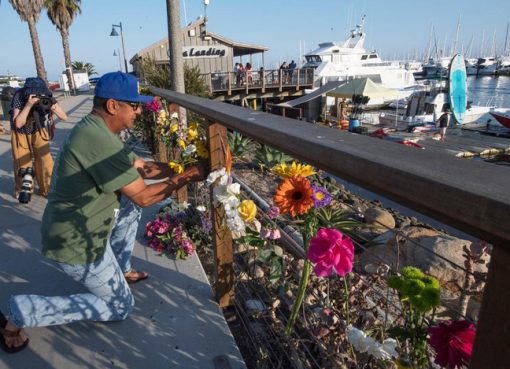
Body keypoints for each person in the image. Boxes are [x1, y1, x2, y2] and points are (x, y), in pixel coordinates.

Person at [0, 72, 209, 353]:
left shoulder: (98, 130)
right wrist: (187, 177)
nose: (138, 111)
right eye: (133, 105)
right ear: (113, 106)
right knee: (120, 306)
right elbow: (146, 196)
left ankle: (120, 269)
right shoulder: (96, 140)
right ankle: (20, 312)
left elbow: (141, 167)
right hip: (76, 245)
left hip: (85, 229)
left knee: (130, 207)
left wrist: (182, 168)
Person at [10, 77, 68, 198]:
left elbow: (64, 117)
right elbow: (18, 123)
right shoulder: (19, 96)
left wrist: (53, 107)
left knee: (45, 160)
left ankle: (46, 189)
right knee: (22, 162)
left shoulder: (47, 96)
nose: (38, 96)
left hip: (38, 128)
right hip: (20, 131)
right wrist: (28, 105)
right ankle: (23, 190)